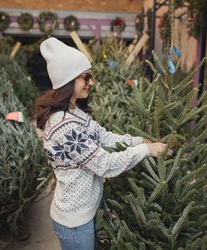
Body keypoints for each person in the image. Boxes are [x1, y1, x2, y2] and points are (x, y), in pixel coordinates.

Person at [35, 37, 172, 250]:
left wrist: (138, 140)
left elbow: (104, 136)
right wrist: (145, 150)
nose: (92, 82)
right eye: (86, 77)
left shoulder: (75, 112)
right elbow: (104, 164)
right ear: (68, 80)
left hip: (86, 212)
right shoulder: (64, 126)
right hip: (74, 222)